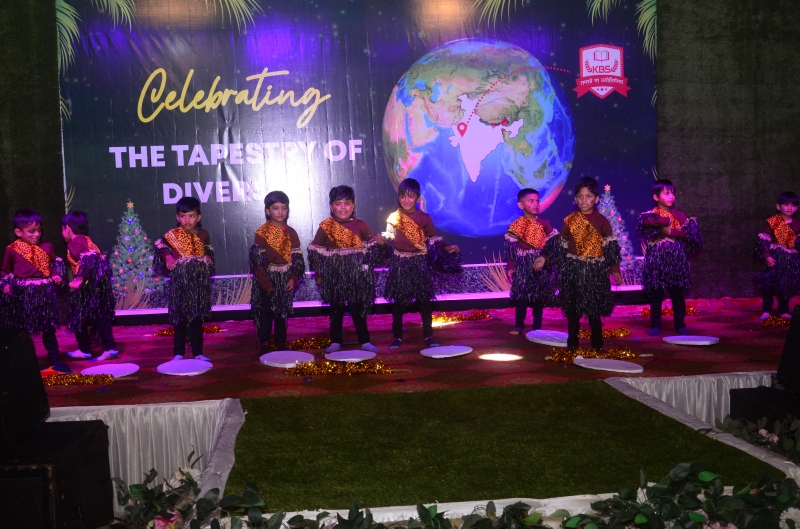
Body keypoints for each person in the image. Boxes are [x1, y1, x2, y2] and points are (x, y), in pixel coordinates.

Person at [383, 178, 461, 349]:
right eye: (403, 196)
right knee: (399, 303)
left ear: (417, 198)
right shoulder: (393, 217)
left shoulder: (424, 218)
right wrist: (381, 243)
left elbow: (433, 240)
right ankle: (397, 337)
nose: (406, 200)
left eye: (411, 196)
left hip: (420, 263)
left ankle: (428, 335)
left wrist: (447, 248)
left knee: (424, 302)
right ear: (398, 197)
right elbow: (389, 241)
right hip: (400, 265)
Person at [547, 177, 622, 350]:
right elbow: (561, 247)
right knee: (573, 310)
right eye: (580, 196)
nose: (584, 200)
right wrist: (548, 259)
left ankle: (597, 345)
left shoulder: (602, 221)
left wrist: (615, 270)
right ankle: (572, 344)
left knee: (594, 311)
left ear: (596, 199)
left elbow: (610, 249)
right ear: (575, 199)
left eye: (588, 196)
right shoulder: (570, 220)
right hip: (574, 272)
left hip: (595, 273)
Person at [308, 185, 383, 353]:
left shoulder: (361, 225)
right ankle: (335, 341)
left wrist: (380, 246)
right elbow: (315, 252)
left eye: (347, 203)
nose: (343, 207)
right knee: (336, 309)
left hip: (357, 277)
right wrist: (319, 275)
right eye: (338, 203)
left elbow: (371, 252)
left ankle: (365, 341)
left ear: (353, 205)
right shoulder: (326, 227)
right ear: (331, 206)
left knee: (358, 308)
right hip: (334, 277)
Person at [1, 209, 70, 371]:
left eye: (39, 230)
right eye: (31, 231)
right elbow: (5, 270)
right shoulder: (12, 249)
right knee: (23, 329)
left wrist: (55, 275)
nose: (37, 235)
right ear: (18, 232)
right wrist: (5, 284)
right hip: (23, 295)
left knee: (48, 328)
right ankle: (24, 362)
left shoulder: (47, 246)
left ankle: (54, 359)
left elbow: (53, 264)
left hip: (44, 294)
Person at [637, 179, 703, 335]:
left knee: (677, 293)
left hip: (676, 258)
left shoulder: (680, 215)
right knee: (656, 293)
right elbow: (650, 224)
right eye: (666, 193)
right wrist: (666, 223)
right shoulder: (650, 216)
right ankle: (655, 326)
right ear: (656, 197)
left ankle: (680, 325)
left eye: (673, 193)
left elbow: (689, 234)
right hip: (657, 258)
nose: (671, 196)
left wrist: (670, 232)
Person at [155, 197, 213, 362]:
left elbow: (208, 251)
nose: (187, 220)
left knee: (196, 319)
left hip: (197, 284)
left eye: (191, 216)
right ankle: (178, 353)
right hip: (180, 284)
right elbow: (162, 247)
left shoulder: (203, 234)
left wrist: (207, 258)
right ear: (177, 217)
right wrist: (168, 257)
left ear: (199, 217)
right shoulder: (172, 235)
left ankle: (198, 352)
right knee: (179, 319)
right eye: (183, 216)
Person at [250, 191, 305, 354]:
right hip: (266, 277)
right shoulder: (261, 233)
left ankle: (281, 342)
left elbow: (297, 258)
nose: (280, 212)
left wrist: (293, 278)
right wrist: (266, 284)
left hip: (285, 277)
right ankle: (265, 342)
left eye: (284, 208)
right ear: (267, 211)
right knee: (266, 311)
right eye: (275, 208)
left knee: (282, 311)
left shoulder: (291, 232)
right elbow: (258, 263)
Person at [62, 211, 118, 361]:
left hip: (88, 287)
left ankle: (85, 349)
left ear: (68, 228)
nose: (62, 233)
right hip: (99, 286)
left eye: (62, 229)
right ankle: (109, 347)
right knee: (101, 317)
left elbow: (89, 258)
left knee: (78, 317)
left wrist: (81, 278)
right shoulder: (87, 240)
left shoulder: (75, 243)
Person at [505, 188, 559, 335]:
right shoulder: (516, 225)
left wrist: (545, 258)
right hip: (523, 264)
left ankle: (537, 326)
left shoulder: (544, 223)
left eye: (537, 201)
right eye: (531, 201)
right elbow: (511, 250)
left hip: (540, 263)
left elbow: (552, 244)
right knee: (521, 295)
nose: (535, 204)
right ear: (520, 205)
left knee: (538, 295)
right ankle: (519, 325)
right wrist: (511, 267)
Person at [756, 191, 799, 320]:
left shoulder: (798, 224)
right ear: (778, 206)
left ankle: (783, 311)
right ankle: (766, 310)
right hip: (774, 259)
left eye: (793, 205)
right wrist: (767, 256)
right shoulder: (772, 222)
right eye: (786, 204)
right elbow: (764, 242)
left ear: (797, 208)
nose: (790, 207)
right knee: (769, 286)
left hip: (790, 261)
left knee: (786, 286)